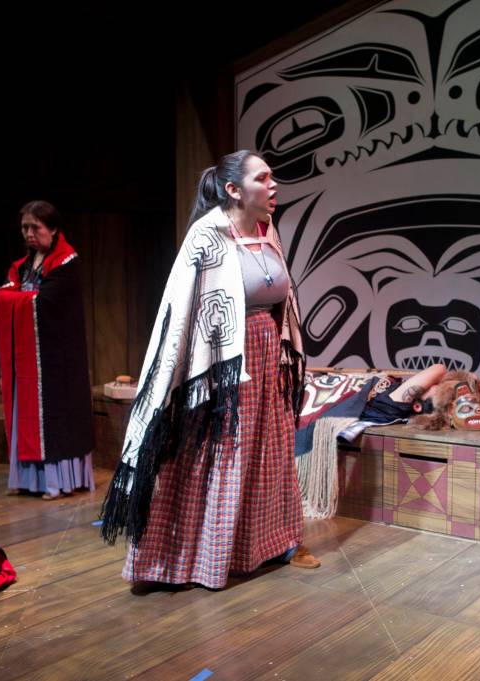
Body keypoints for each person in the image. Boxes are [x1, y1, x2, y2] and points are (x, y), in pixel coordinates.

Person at [101, 150, 318, 589]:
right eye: (263, 178)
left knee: (268, 452)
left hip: (264, 353)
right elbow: (181, 312)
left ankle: (273, 542)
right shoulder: (207, 236)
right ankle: (186, 558)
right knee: (220, 453)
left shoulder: (266, 229)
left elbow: (281, 295)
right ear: (234, 190)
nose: (273, 186)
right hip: (219, 364)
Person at [0, 201, 95, 499]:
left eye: (35, 227)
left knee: (55, 419)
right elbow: (5, 295)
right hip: (30, 358)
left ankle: (57, 482)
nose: (28, 233)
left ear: (52, 229)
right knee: (27, 415)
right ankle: (29, 480)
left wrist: (15, 298)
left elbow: (43, 303)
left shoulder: (66, 264)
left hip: (57, 361)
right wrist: (16, 298)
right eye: (25, 227)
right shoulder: (23, 265)